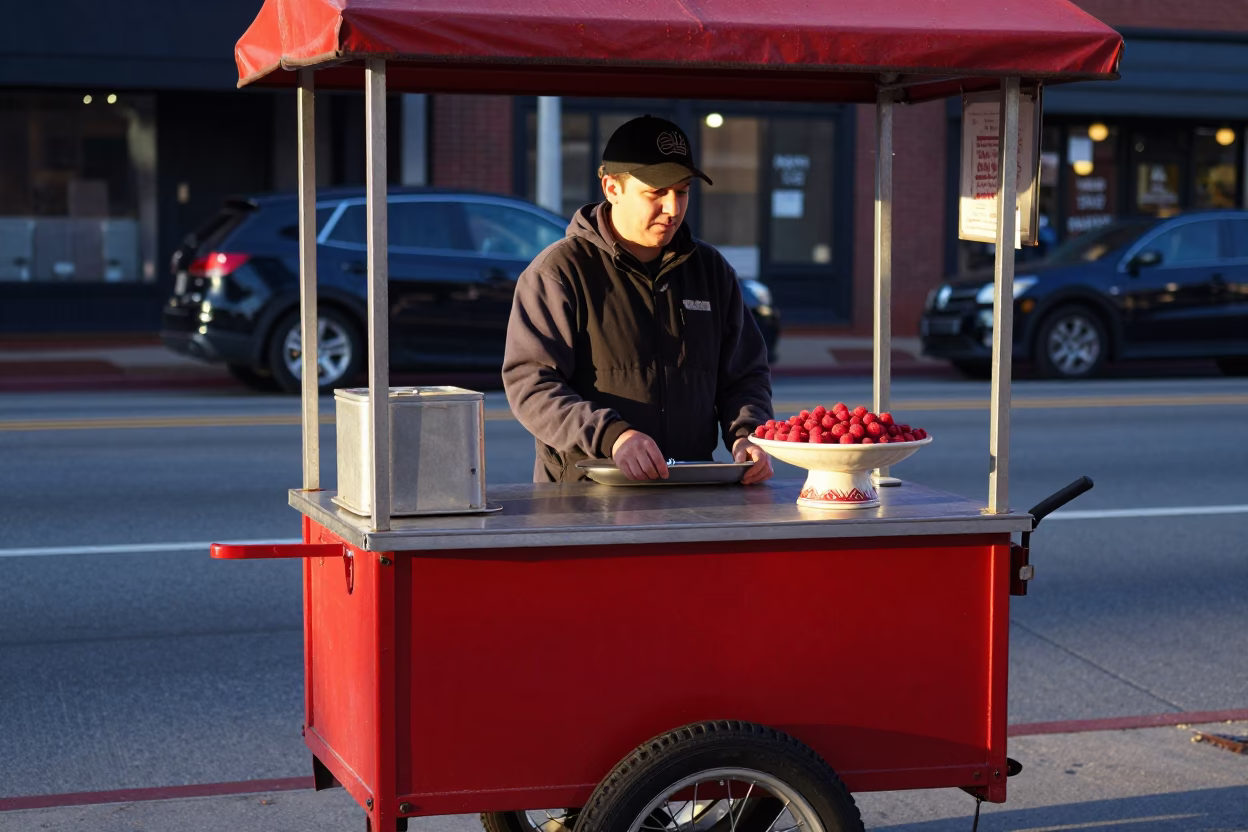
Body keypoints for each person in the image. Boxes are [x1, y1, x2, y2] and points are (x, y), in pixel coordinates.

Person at [503, 115, 774, 484]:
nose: (672, 208)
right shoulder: (558, 272)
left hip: (691, 490)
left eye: (681, 192)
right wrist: (614, 437)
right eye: (656, 193)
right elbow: (531, 384)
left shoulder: (712, 271)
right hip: (583, 498)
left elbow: (745, 375)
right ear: (612, 188)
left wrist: (749, 435)